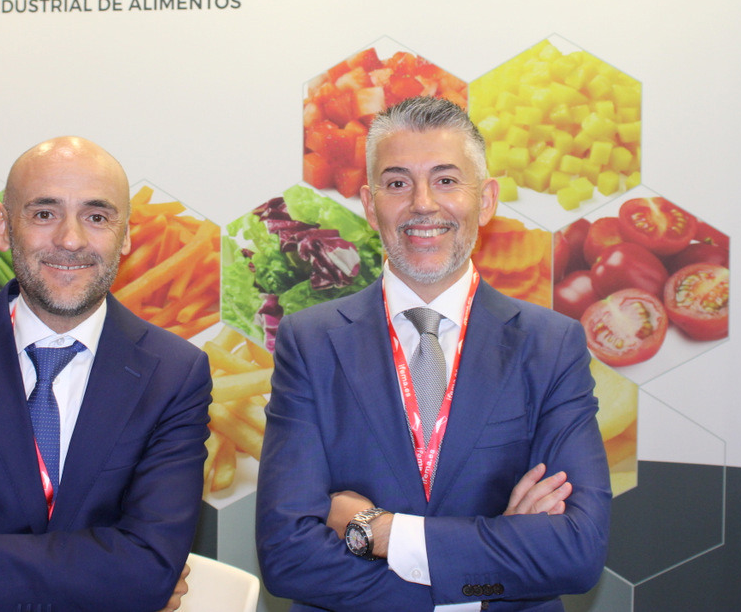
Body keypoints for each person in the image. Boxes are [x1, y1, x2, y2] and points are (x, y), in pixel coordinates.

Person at [256, 96, 611, 612]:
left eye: (446, 180)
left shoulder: (550, 346)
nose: (423, 203)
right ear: (369, 204)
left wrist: (382, 532)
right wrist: (488, 570)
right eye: (398, 183)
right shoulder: (310, 343)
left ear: (485, 200)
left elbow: (577, 551)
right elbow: (287, 556)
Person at [0, 137, 212, 611]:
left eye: (97, 217)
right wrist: (110, 583)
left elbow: (151, 569)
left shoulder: (175, 374)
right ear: (3, 227)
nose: (70, 240)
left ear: (125, 236)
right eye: (45, 213)